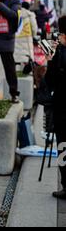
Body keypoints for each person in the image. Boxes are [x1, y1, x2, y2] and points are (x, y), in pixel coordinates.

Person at [45, 16, 66, 200]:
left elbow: (49, 81)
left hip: (62, 108)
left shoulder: (60, 53)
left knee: (63, 146)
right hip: (61, 107)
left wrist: (51, 59)